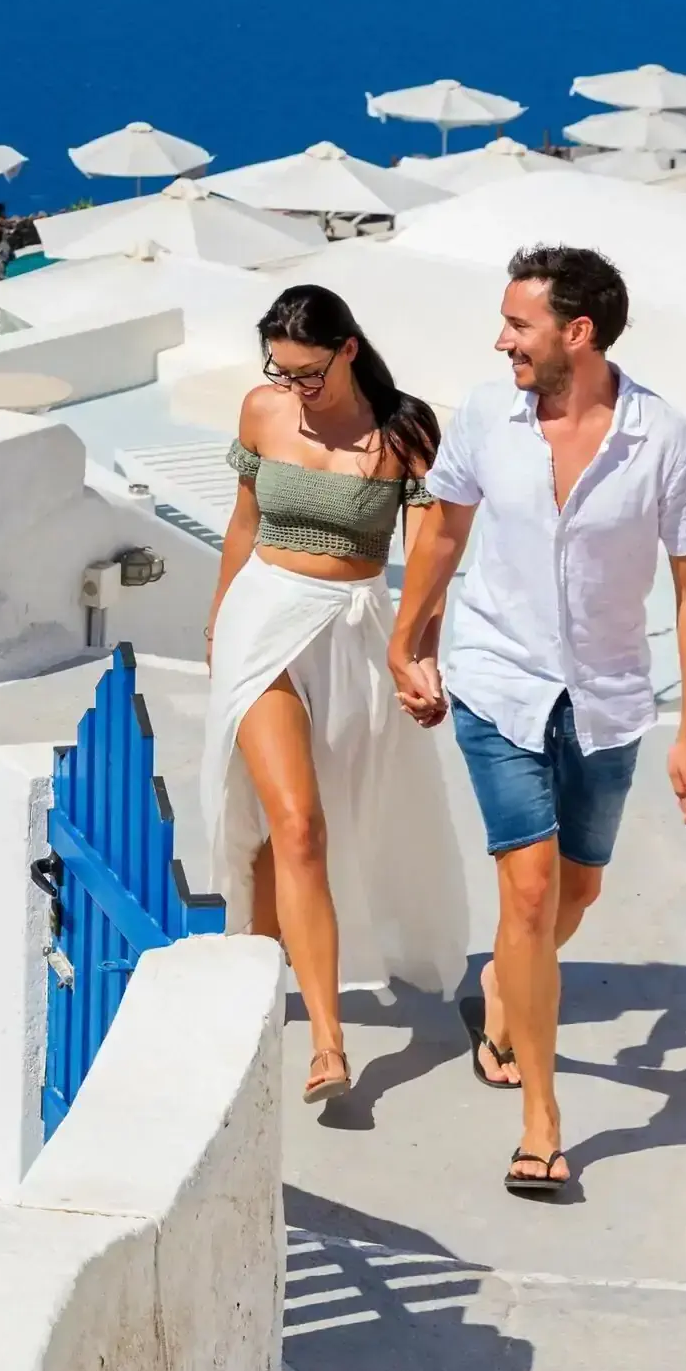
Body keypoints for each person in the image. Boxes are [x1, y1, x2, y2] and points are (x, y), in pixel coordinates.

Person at [388, 245, 686, 1199]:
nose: (502, 341)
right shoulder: (485, 416)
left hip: (609, 696)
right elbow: (443, 525)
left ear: (577, 333)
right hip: (498, 679)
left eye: (519, 325)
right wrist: (409, 637)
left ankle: (506, 987)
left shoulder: (667, 440)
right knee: (528, 897)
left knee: (574, 894)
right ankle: (543, 1121)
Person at [201, 285, 471, 1108]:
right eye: (280, 372)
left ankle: (257, 954)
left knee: (337, 815)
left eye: (308, 373)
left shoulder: (407, 431)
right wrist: (218, 630)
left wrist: (418, 657)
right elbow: (244, 526)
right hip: (261, 624)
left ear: (348, 349)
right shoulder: (262, 410)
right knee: (296, 824)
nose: (294, 391)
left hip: (350, 629)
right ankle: (326, 1039)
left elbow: (431, 565)